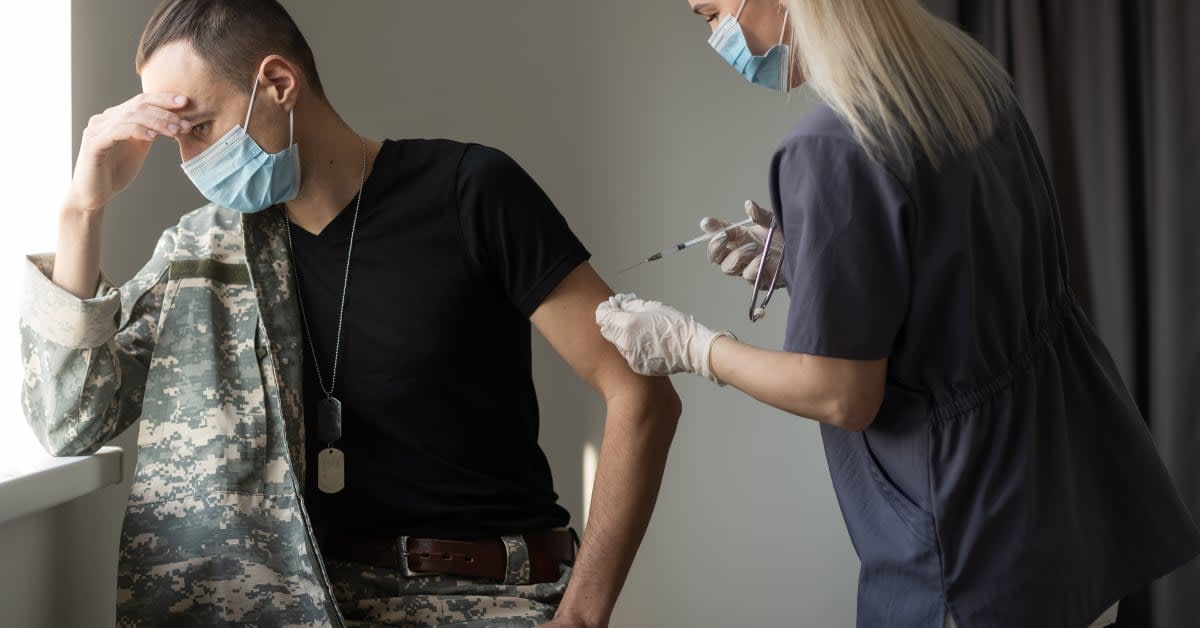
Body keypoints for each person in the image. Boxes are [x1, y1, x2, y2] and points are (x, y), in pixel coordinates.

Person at [20, 0, 680, 625]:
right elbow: (71, 419)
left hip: (490, 596)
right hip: (304, 606)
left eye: (199, 128)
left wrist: (584, 615)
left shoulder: (472, 192)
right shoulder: (205, 253)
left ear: (277, 83)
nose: (192, 160)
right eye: (177, 141)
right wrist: (82, 210)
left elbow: (639, 393)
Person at [596, 1, 1200, 626]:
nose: (718, 37)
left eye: (712, 13)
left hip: (972, 549)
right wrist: (815, 265)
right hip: (1071, 508)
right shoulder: (964, 77)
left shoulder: (830, 146)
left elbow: (841, 396)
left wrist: (691, 346)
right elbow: (961, 270)